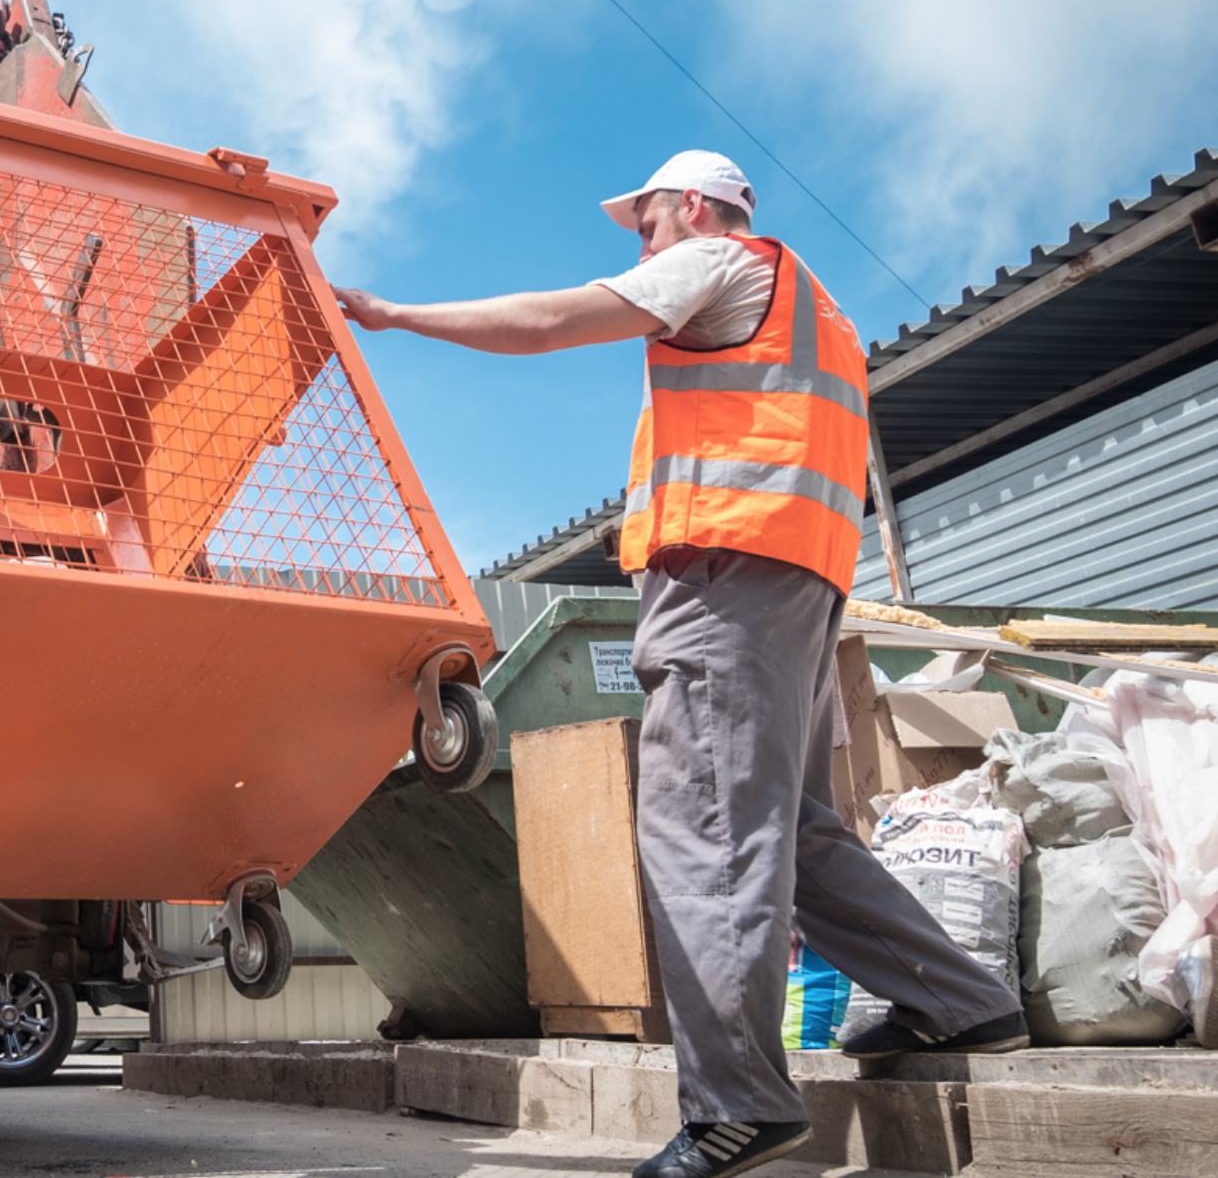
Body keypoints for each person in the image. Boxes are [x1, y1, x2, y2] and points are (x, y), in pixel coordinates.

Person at [337, 151, 1026, 1178]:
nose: (639, 243)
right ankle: (962, 1003)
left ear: (695, 209)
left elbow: (549, 321)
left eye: (646, 222)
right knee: (790, 833)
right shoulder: (811, 309)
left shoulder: (715, 260)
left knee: (704, 837)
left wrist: (393, 315)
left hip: (725, 586)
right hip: (797, 590)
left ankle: (737, 1106)